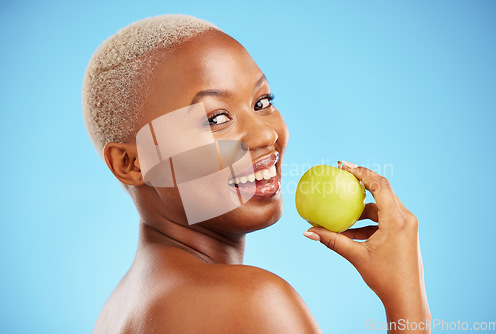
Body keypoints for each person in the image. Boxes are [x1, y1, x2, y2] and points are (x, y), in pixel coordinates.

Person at [83, 14, 431, 333]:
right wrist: (407, 300)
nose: (266, 135)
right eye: (216, 118)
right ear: (132, 164)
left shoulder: (120, 309)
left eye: (262, 102)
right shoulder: (251, 302)